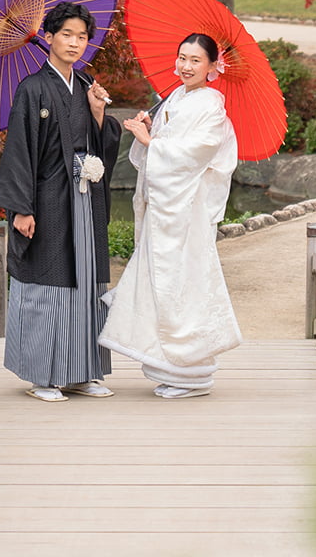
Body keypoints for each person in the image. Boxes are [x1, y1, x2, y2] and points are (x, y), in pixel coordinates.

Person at [0, 1, 121, 402]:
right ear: (47, 37)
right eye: (66, 34)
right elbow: (19, 151)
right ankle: (42, 375)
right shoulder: (32, 88)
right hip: (46, 199)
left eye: (82, 37)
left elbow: (99, 143)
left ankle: (83, 371)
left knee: (85, 281)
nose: (75, 43)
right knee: (48, 280)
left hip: (84, 198)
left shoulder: (84, 87)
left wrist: (98, 114)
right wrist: (22, 209)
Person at [99, 33, 242, 398]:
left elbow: (201, 151)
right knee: (160, 282)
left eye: (195, 60)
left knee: (184, 283)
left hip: (186, 212)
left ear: (212, 66)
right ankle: (170, 368)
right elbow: (160, 151)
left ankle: (191, 373)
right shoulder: (175, 98)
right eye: (181, 58)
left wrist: (153, 143)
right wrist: (150, 129)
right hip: (166, 209)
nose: (186, 66)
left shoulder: (211, 105)